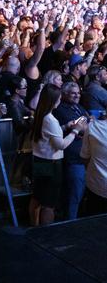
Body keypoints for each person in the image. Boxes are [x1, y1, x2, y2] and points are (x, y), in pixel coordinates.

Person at [29, 84, 87, 226]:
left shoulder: (40, 114)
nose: (60, 100)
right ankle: (47, 232)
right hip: (51, 164)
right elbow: (60, 145)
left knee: (37, 196)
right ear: (53, 100)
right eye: (59, 98)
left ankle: (33, 225)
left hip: (40, 160)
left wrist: (66, 126)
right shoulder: (50, 119)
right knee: (49, 203)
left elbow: (48, 135)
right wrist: (75, 131)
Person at [53, 81, 90, 219]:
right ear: (64, 94)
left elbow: (88, 122)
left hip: (84, 156)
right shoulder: (60, 110)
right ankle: (70, 224)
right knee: (73, 195)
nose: (77, 96)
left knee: (81, 193)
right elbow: (80, 128)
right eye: (73, 93)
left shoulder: (79, 107)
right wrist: (83, 127)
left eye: (78, 93)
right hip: (73, 158)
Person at [80, 109, 107, 215]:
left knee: (94, 225)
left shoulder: (92, 127)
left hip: (97, 185)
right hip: (97, 185)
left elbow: (85, 157)